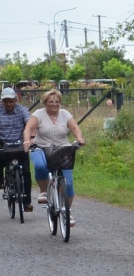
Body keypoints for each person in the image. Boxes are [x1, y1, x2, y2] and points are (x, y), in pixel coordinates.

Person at [23, 89, 86, 226]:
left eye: (57, 102)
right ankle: (43, 191)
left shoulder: (65, 114)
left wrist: (80, 138)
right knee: (40, 166)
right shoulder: (38, 114)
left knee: (68, 184)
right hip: (41, 147)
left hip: (63, 148)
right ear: (45, 103)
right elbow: (28, 128)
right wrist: (27, 141)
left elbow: (75, 128)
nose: (54, 104)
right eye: (51, 102)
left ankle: (67, 211)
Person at [0, 87, 33, 211]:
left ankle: (27, 203)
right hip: (3, 144)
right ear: (2, 101)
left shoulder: (22, 110)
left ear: (16, 99)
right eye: (6, 101)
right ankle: (2, 182)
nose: (9, 104)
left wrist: (29, 139)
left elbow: (29, 123)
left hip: (20, 144)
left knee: (26, 172)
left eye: (11, 101)